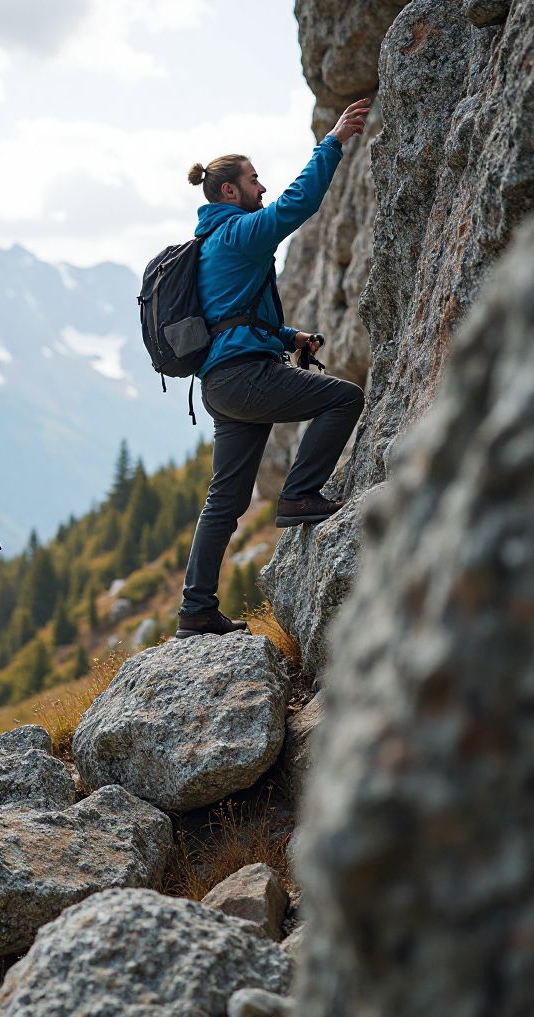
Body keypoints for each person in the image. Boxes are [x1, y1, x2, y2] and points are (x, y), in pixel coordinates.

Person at [177, 98, 372, 639]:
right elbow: (294, 206)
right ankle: (300, 495)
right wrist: (331, 143)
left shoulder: (210, 243)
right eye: (254, 180)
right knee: (343, 397)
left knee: (225, 501)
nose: (261, 188)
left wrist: (290, 337)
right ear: (230, 192)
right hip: (243, 376)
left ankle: (195, 612)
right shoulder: (239, 232)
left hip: (220, 383)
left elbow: (230, 316)